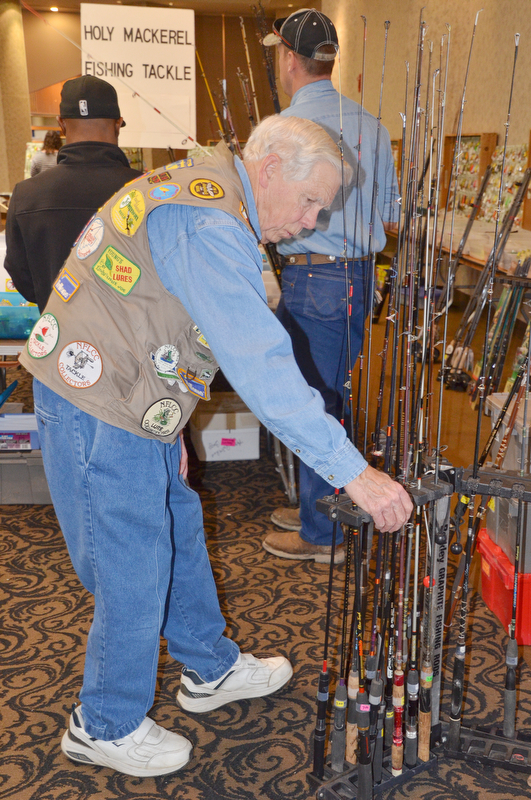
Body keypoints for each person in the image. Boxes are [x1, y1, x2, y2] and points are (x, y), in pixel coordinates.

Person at [19, 114, 413, 778]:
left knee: (177, 524)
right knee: (131, 561)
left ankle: (210, 666)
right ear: (268, 169)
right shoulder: (208, 223)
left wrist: (166, 425)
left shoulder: (212, 193)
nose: (312, 220)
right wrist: (354, 473)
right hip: (97, 403)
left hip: (130, 399)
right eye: (311, 201)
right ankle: (103, 722)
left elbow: (154, 313)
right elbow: (261, 364)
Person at [261, 9, 400, 564]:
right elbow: (389, 222)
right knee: (330, 395)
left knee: (313, 401)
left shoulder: (281, 131)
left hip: (313, 277)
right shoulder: (375, 127)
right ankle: (324, 504)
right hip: (358, 278)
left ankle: (324, 533)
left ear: (289, 59)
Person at [5, 75, 141, 313]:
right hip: (133, 346)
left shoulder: (26, 195)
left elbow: (23, 277)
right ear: (118, 124)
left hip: (59, 342)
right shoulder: (146, 191)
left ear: (61, 124)